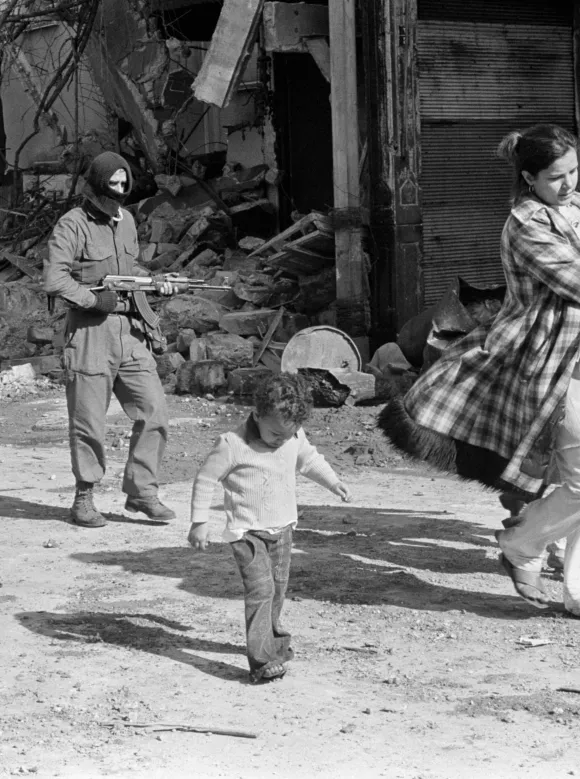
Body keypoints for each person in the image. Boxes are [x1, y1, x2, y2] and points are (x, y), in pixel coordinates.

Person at [378, 124, 580, 623]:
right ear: (529, 178)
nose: (570, 184)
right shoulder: (526, 226)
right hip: (559, 365)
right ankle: (521, 544)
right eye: (556, 176)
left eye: (574, 171)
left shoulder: (574, 211)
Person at [43, 151, 178, 528]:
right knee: (89, 420)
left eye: (123, 184)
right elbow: (55, 280)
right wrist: (92, 299)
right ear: (96, 182)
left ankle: (142, 492)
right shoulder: (73, 225)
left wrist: (155, 283)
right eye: (112, 184)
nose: (118, 191)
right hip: (89, 333)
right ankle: (84, 497)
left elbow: (127, 270)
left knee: (155, 410)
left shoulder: (128, 221)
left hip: (130, 330)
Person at [188, 373, 351, 683]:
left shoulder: (294, 437)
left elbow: (309, 460)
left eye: (288, 434)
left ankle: (273, 644)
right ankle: (262, 662)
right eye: (276, 433)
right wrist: (199, 522)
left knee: (277, 590)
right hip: (247, 534)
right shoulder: (232, 444)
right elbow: (206, 479)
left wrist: (334, 482)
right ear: (257, 414)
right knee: (261, 591)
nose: (281, 440)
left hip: (283, 530)